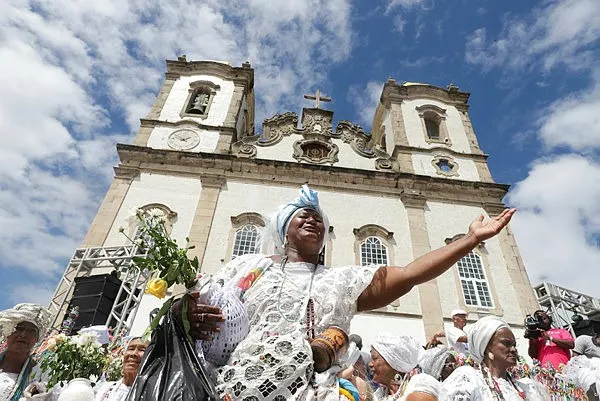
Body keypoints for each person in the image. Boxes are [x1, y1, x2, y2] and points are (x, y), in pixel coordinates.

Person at [175, 184, 515, 400]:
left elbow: (410, 274)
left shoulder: (341, 281)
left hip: (314, 391)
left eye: (318, 219)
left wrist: (471, 240)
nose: (312, 221)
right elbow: (202, 306)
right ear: (283, 229)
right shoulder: (249, 269)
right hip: (238, 385)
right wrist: (184, 314)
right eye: (302, 216)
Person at [443, 316, 549, 400]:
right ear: (487, 347)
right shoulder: (469, 380)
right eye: (506, 343)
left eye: (514, 345)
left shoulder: (524, 387)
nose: (513, 349)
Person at [0, 303, 51, 401]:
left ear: (36, 339)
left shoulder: (39, 374)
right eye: (19, 329)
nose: (23, 335)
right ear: (8, 333)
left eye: (31, 331)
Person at [369, 333, 441, 401]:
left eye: (374, 358)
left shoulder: (419, 384)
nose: (370, 364)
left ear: (393, 363)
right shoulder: (378, 395)